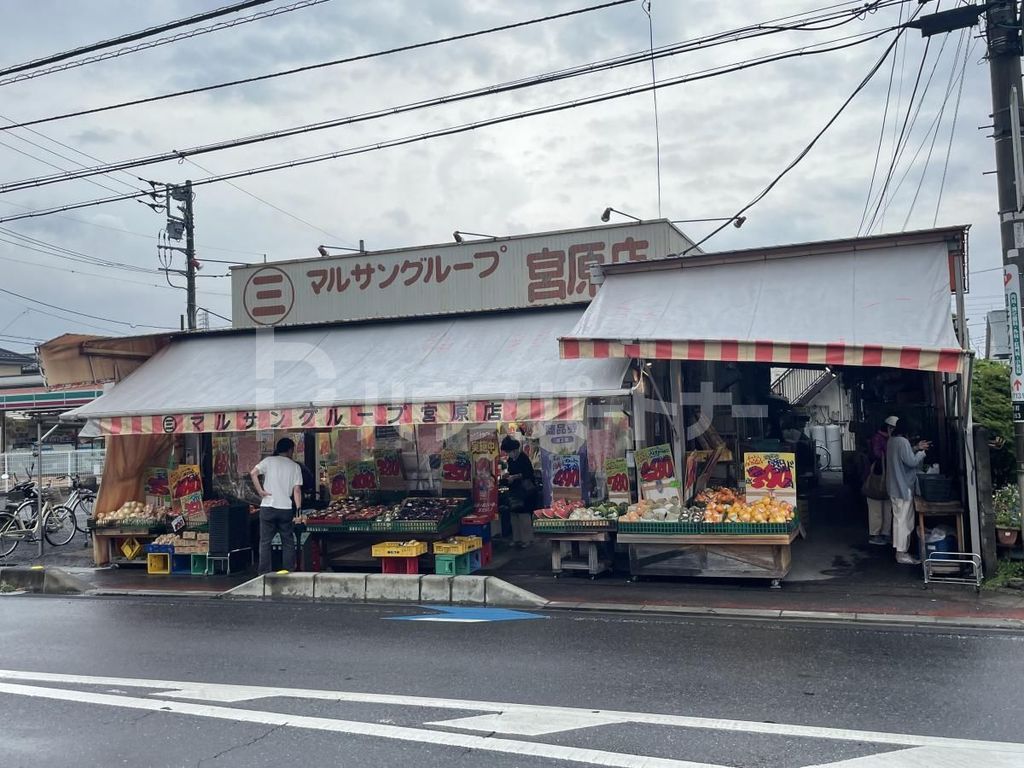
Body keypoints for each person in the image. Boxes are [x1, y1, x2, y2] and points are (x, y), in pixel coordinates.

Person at [249, 437, 304, 574]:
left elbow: (253, 473)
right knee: (288, 541)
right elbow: (296, 490)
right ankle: (288, 570)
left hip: (268, 506)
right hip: (285, 508)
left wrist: (260, 491)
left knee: (265, 541)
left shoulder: (268, 461)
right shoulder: (295, 466)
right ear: (290, 450)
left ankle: (264, 572)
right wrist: (298, 510)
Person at [886, 423, 931, 565]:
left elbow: (903, 456)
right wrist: (921, 453)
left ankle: (901, 551)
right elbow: (911, 462)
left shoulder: (892, 441)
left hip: (894, 487)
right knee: (904, 522)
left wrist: (917, 447)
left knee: (899, 520)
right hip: (902, 487)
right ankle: (901, 553)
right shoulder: (903, 441)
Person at [865, 416, 898, 546]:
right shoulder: (878, 439)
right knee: (876, 507)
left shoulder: (888, 439)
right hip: (877, 476)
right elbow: (877, 455)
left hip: (887, 477)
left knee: (886, 507)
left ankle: (885, 533)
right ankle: (875, 534)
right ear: (890, 428)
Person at [501, 435, 537, 548]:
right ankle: (517, 538)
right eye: (508, 452)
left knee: (524, 515)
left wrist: (515, 477)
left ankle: (527, 539)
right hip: (514, 490)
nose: (509, 454)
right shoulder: (510, 460)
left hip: (525, 492)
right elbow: (511, 472)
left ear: (515, 450)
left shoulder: (523, 458)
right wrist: (508, 476)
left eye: (510, 451)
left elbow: (528, 473)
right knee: (514, 514)